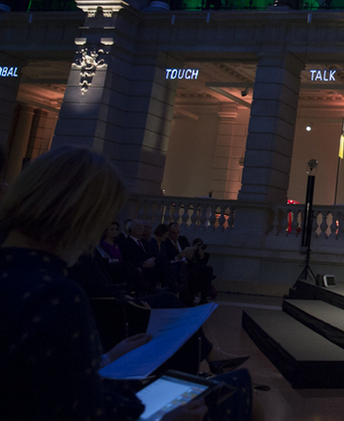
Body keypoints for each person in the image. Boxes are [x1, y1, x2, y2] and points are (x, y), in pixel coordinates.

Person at [0, 146, 207, 420]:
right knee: (237, 395)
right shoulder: (55, 295)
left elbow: (37, 384)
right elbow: (80, 412)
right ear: (81, 216)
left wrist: (109, 357)